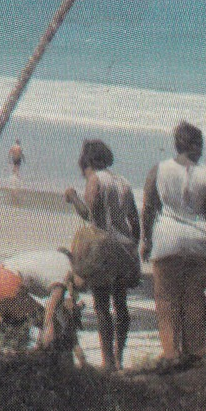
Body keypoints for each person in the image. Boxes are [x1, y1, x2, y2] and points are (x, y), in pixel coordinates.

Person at [142, 121, 206, 372]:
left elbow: (148, 208)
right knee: (194, 299)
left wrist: (146, 239)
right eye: (200, 144)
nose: (202, 149)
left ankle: (171, 353)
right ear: (194, 145)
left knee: (166, 299)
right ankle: (196, 353)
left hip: (167, 239)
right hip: (200, 241)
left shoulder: (158, 170)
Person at [64, 138, 140, 371]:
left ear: (88, 160)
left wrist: (73, 196)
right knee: (121, 304)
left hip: (102, 247)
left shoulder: (95, 180)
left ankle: (108, 362)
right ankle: (120, 356)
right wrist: (133, 246)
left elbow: (88, 214)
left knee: (102, 306)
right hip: (125, 246)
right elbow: (134, 220)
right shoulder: (123, 182)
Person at [0, 249, 83, 364]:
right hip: (8, 282)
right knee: (52, 327)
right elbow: (50, 318)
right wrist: (49, 333)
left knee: (17, 329)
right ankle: (53, 368)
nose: (86, 286)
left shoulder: (57, 262)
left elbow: (61, 313)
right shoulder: (64, 274)